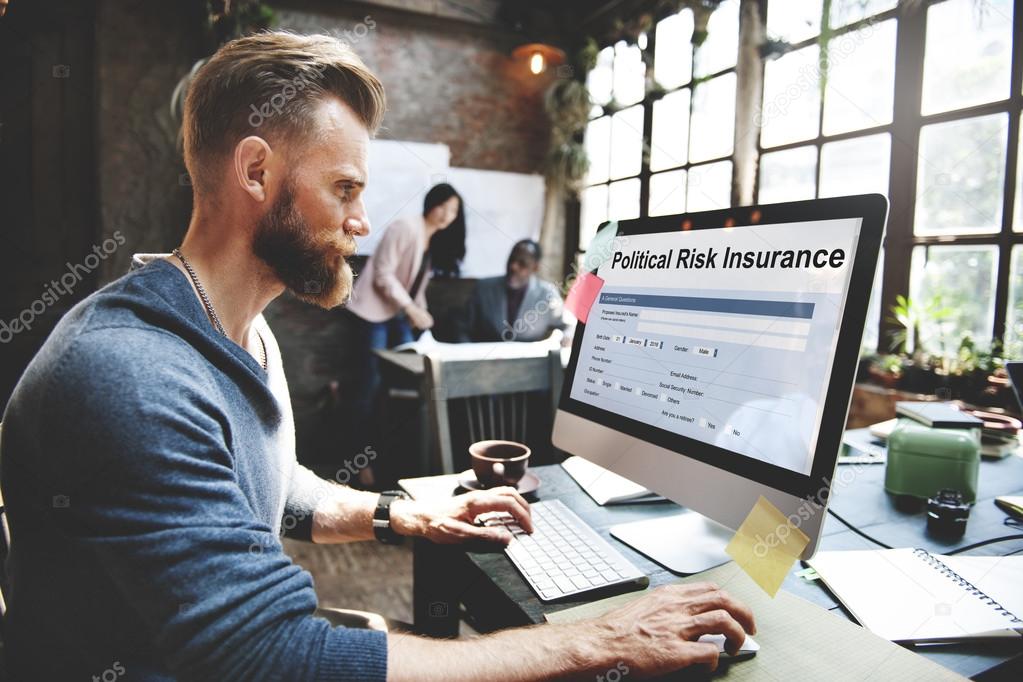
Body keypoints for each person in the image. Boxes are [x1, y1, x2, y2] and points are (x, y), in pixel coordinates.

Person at [0, 32, 755, 681]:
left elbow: (275, 488)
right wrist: (599, 640)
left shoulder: (240, 331)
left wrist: (409, 516)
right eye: (345, 188)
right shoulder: (129, 376)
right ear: (256, 172)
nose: (362, 221)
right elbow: (277, 656)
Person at [345, 183, 462, 465]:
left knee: (402, 385)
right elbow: (383, 274)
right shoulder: (406, 227)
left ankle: (390, 456)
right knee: (369, 386)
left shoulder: (432, 242)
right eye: (443, 205)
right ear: (431, 204)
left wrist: (422, 312)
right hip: (374, 313)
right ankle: (357, 460)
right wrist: (410, 308)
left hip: (397, 315)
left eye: (454, 210)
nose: (447, 214)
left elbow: (415, 288)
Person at [462, 239, 569, 343]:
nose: (513, 266)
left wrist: (566, 338)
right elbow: (462, 326)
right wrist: (467, 352)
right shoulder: (484, 288)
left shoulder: (547, 294)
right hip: (485, 358)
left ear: (535, 268)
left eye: (522, 263)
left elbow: (567, 325)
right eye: (511, 259)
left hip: (530, 358)